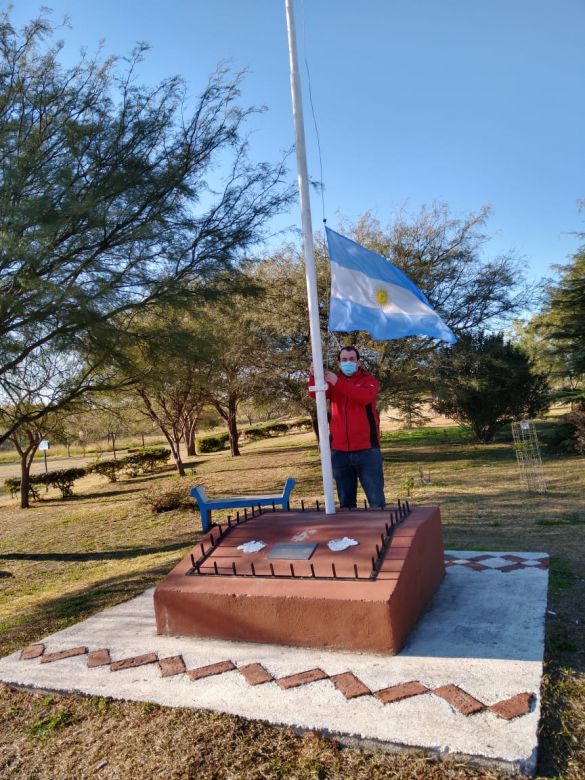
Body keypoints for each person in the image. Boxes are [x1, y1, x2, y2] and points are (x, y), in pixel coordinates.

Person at [309, 346, 385, 509]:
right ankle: (349, 535)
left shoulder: (369, 380)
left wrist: (338, 382)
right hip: (339, 452)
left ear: (358, 362)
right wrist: (313, 375)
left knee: (376, 502)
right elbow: (315, 394)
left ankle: (382, 533)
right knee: (346, 505)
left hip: (367, 451)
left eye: (351, 359)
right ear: (338, 362)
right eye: (344, 360)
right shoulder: (332, 382)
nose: (348, 363)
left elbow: (364, 397)